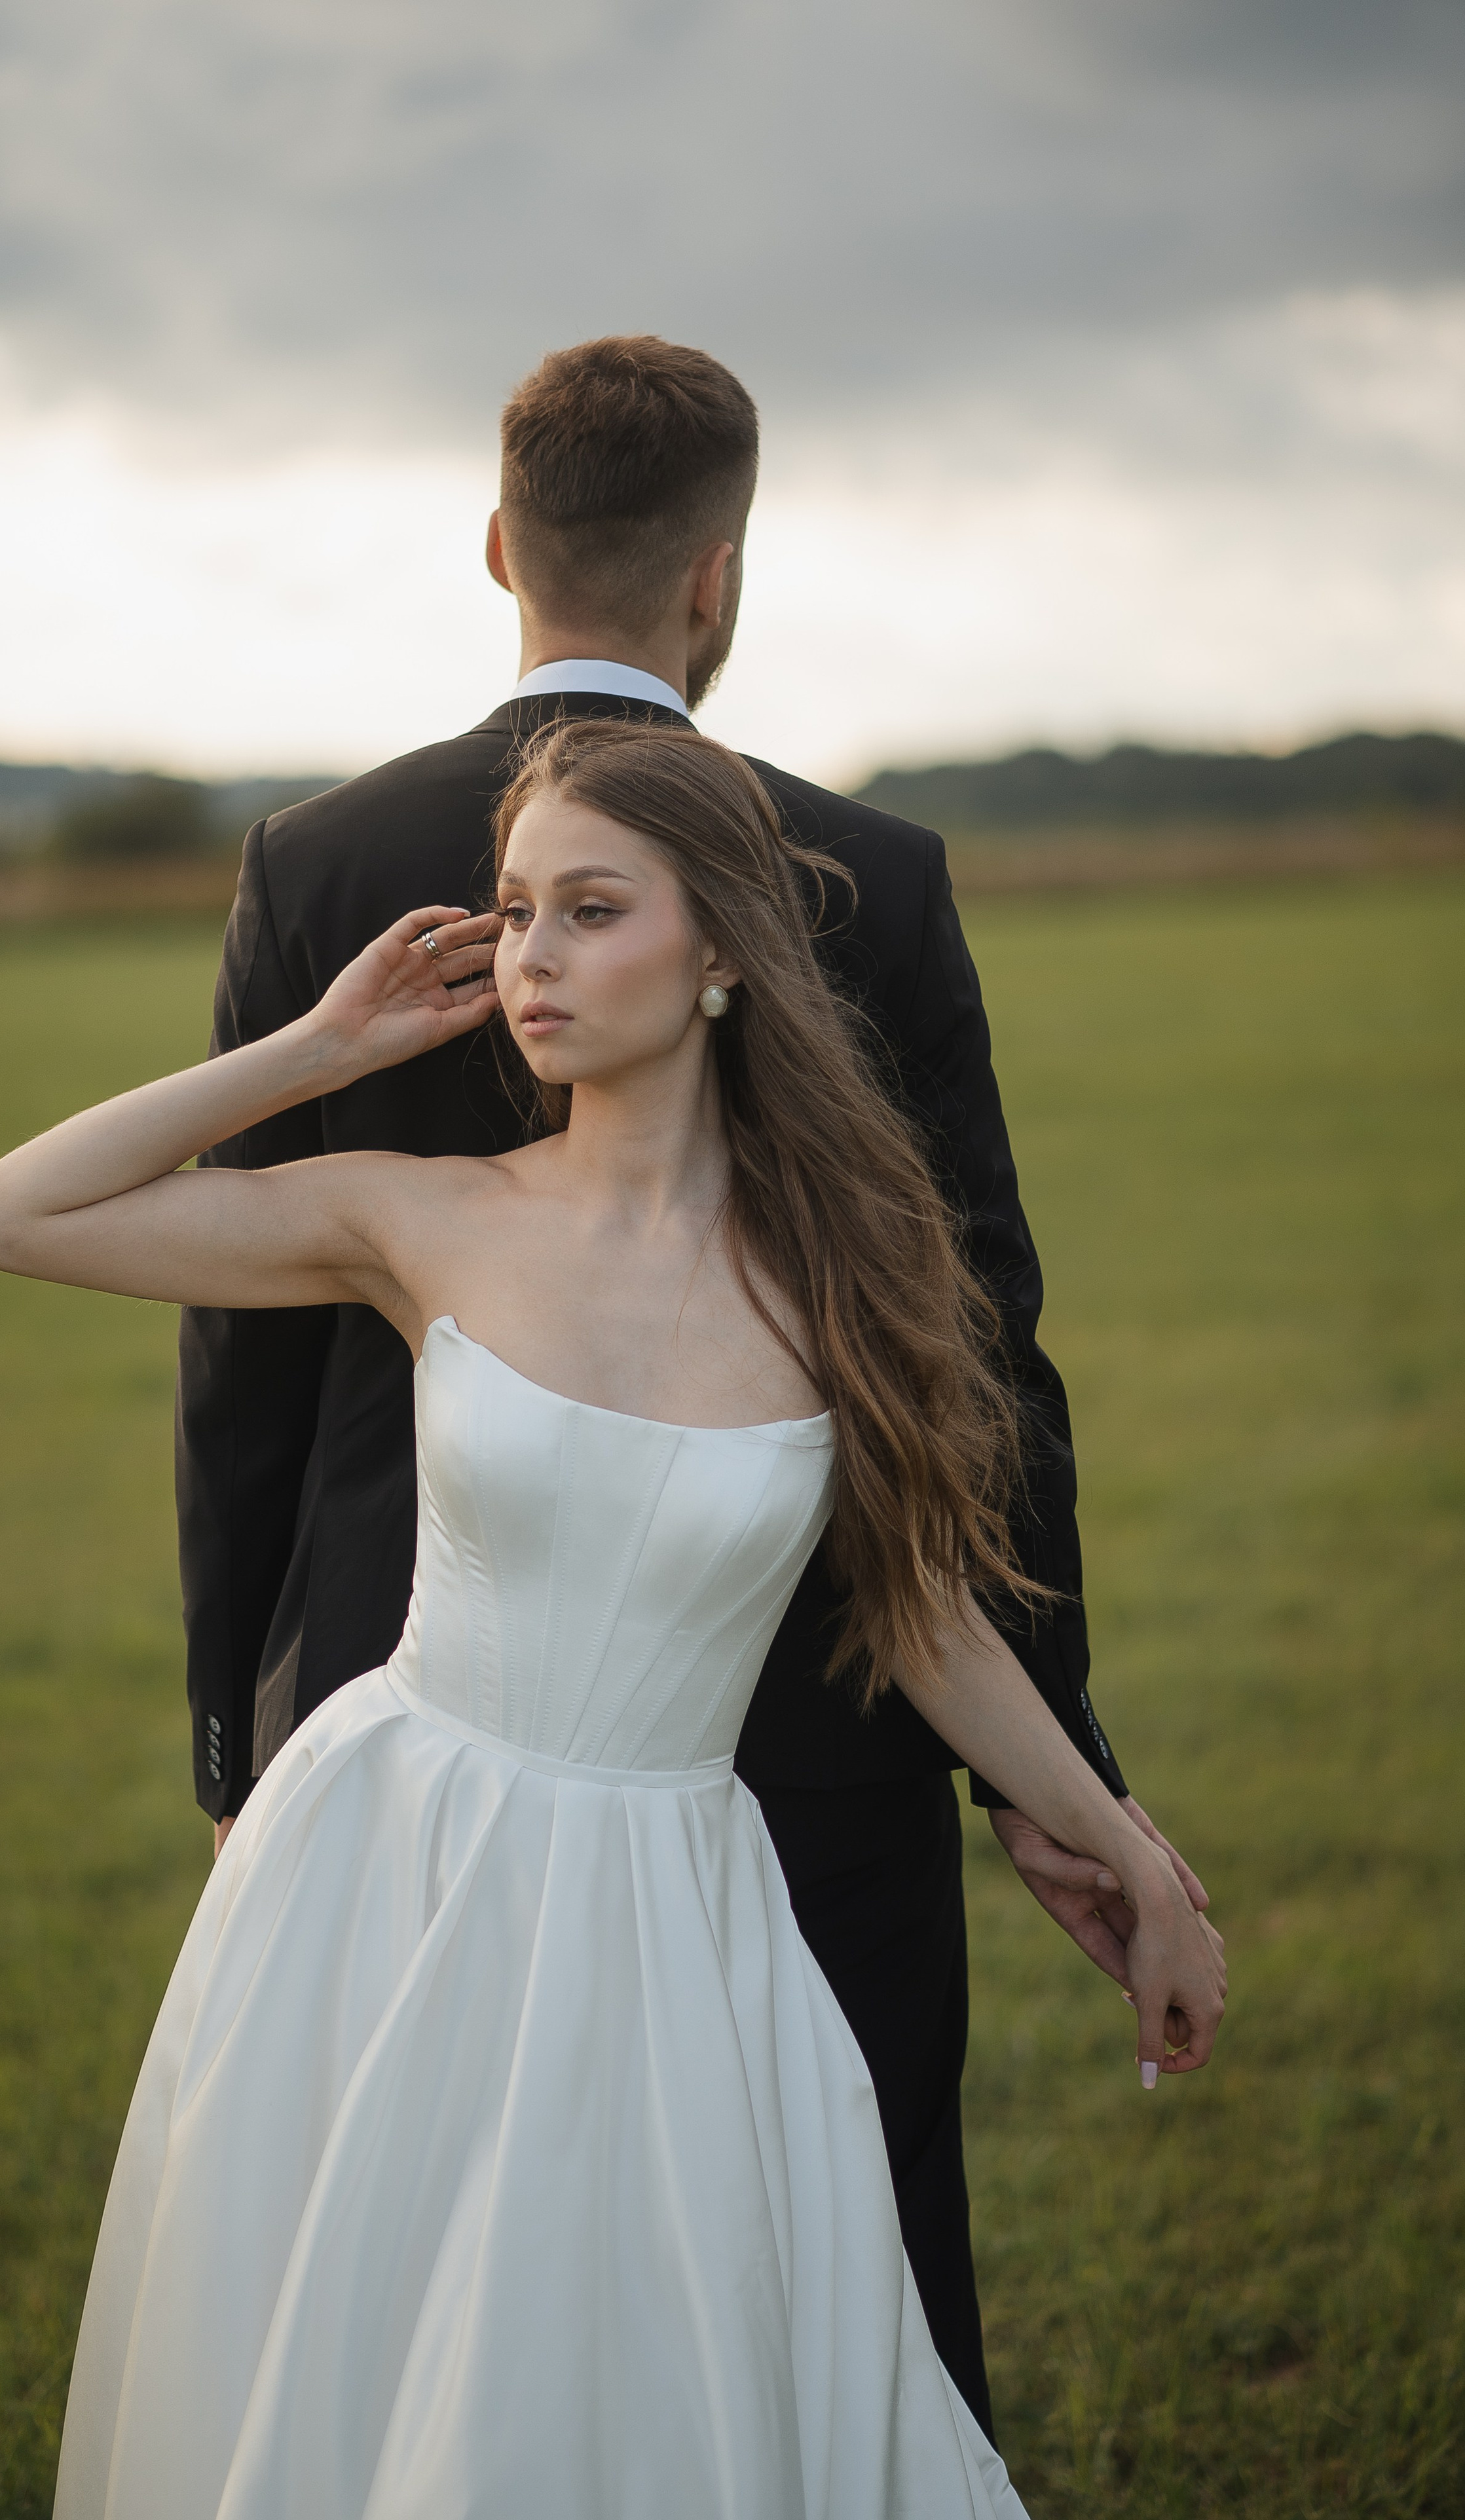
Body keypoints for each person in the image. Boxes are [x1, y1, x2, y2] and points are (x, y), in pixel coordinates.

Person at [0, 716, 1224, 2517]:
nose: (533, 957)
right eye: (515, 910)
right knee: (368, 2364)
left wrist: (1129, 1858)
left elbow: (922, 1616)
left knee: (646, 2374)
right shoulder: (423, 1220)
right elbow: (8, 1214)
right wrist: (311, 1050)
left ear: (721, 952)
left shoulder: (843, 1276)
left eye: (590, 910)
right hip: (391, 1867)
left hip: (680, 1903)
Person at [172, 335, 1214, 2434]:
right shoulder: (873, 873)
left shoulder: (319, 854)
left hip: (401, 1705)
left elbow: (242, 1376)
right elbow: (985, 1357)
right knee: (832, 2267)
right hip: (810, 1719)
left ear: (498, 548)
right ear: (719, 582)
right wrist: (1049, 1770)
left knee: (409, 2283)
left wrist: (243, 1713)